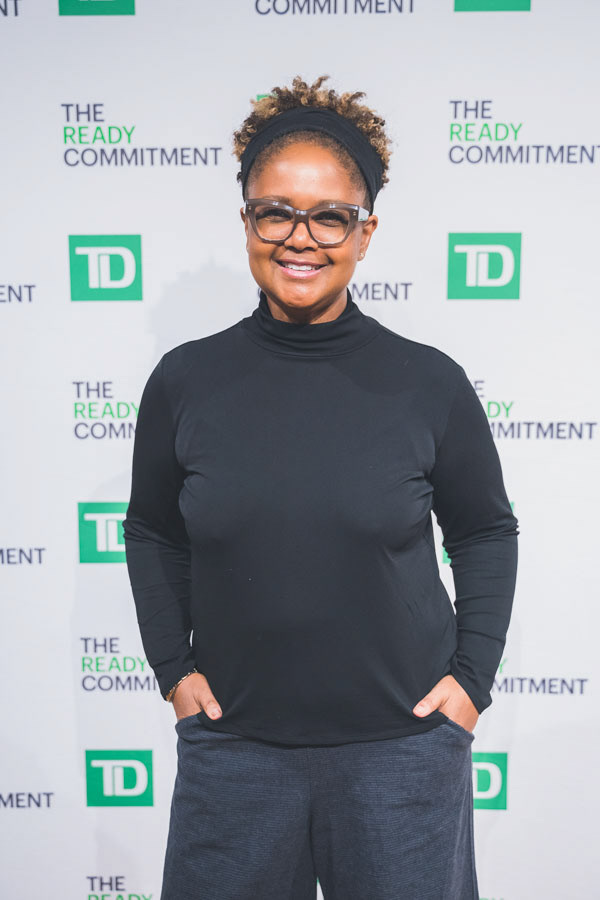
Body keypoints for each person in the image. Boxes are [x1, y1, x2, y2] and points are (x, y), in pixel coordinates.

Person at [123, 75, 519, 900]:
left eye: (330, 216)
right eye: (276, 213)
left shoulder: (428, 383)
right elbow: (152, 531)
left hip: (402, 755)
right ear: (247, 222)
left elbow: (485, 532)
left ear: (364, 232)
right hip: (233, 754)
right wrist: (173, 672)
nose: (300, 238)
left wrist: (472, 685)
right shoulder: (185, 381)